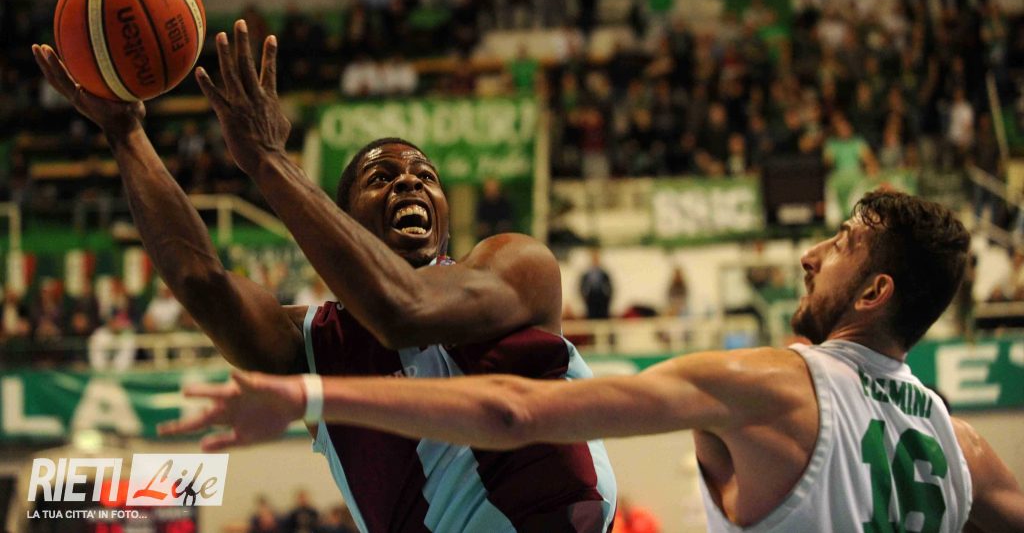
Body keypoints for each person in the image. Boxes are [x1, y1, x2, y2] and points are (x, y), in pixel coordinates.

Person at [32, 24, 616, 533]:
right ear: (342, 220)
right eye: (381, 177)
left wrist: (269, 160)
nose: (409, 182)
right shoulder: (311, 345)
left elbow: (404, 310)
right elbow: (200, 282)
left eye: (425, 175)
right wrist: (126, 134)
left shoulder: (517, 266)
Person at [162, 192, 1024, 532]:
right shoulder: (963, 446)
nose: (810, 256)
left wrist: (309, 397)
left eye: (835, 247)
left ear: (872, 290)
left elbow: (515, 413)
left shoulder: (769, 383)